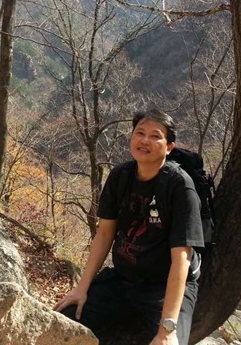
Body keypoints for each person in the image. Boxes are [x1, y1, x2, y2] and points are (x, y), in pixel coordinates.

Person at [54, 109, 203, 345]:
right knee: (65, 319)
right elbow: (105, 233)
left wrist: (167, 329)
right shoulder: (120, 176)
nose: (145, 140)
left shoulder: (179, 188)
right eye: (140, 133)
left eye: (156, 136)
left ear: (169, 147)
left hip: (163, 287)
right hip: (124, 278)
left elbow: (181, 259)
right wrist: (81, 288)